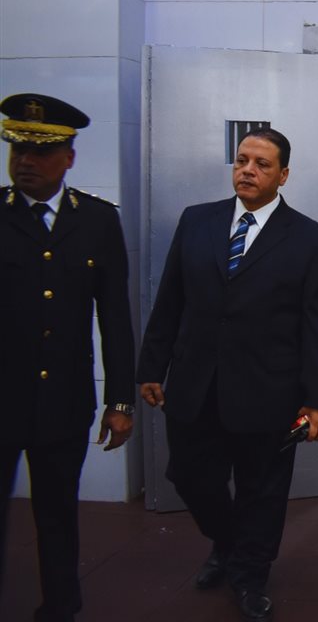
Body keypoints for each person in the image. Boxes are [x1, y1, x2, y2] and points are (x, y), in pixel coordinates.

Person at [137, 128, 318, 621]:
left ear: (283, 175)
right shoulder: (197, 221)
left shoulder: (311, 240)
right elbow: (170, 300)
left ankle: (250, 575)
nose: (248, 170)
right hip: (195, 384)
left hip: (269, 390)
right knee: (188, 476)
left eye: (262, 164)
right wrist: (151, 366)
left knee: (262, 491)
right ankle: (227, 543)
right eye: (242, 160)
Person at [0, 94, 136, 622]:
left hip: (62, 399)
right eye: (17, 151)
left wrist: (120, 400)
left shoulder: (97, 221)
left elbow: (115, 317)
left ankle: (59, 607)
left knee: (57, 514)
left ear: (69, 158)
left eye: (40, 152)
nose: (25, 162)